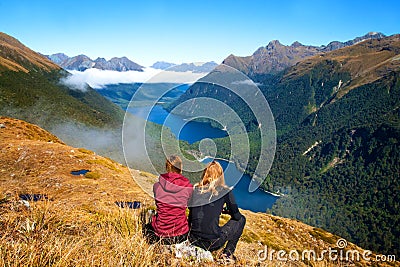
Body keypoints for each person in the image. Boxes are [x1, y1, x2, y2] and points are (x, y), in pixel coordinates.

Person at [188, 161, 246, 262]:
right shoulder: (225, 191)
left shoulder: (195, 189)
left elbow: (192, 212)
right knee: (242, 219)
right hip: (213, 242)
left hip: (193, 239)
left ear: (205, 174)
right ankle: (227, 254)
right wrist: (228, 212)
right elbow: (236, 216)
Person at [143, 155, 193, 244]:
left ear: (167, 168)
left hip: (161, 233)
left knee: (148, 223)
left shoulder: (157, 186)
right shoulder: (188, 187)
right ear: (180, 168)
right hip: (180, 234)